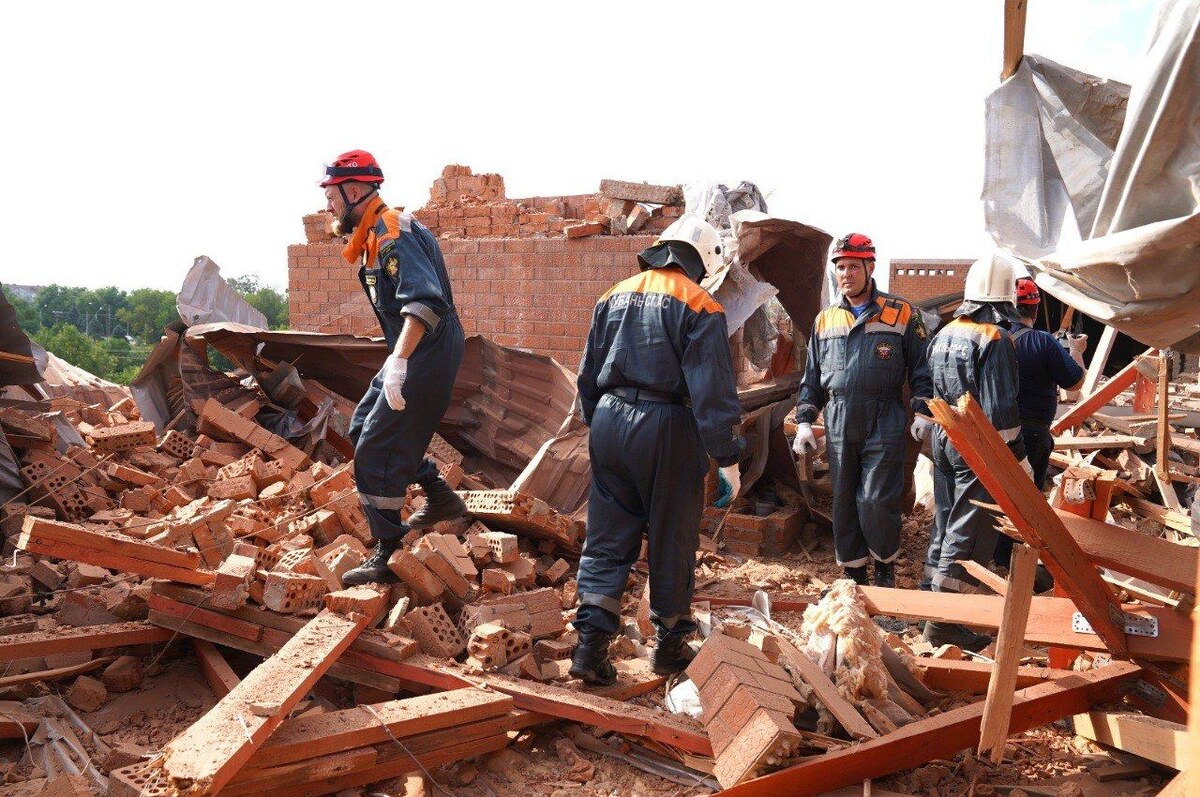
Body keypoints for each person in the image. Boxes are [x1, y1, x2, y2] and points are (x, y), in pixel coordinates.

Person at [571, 213, 743, 686]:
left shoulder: (613, 293)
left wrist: (603, 426)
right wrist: (727, 457)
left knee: (606, 539)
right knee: (672, 536)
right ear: (703, 261)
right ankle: (669, 649)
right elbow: (711, 391)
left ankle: (590, 648)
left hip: (608, 418)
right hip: (667, 424)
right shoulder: (700, 303)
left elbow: (587, 375)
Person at [317, 150, 468, 587]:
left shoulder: (392, 234)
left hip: (426, 350)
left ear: (355, 190)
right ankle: (439, 497)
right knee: (363, 428)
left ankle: (387, 552)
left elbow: (424, 301)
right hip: (411, 352)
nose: (327, 205)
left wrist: (400, 361)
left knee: (376, 446)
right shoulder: (372, 234)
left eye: (331, 195)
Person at [793, 233, 933, 587]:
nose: (846, 274)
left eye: (854, 266)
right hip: (839, 420)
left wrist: (922, 412)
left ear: (870, 267)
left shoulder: (901, 313)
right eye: (840, 267)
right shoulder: (824, 321)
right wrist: (805, 421)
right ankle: (853, 574)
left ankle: (884, 567)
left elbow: (922, 370)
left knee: (876, 499)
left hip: (884, 418)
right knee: (843, 501)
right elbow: (812, 378)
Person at [923, 252, 1033, 651]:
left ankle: (929, 598)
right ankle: (946, 623)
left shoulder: (946, 331)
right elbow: (1001, 414)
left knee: (946, 521)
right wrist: (1019, 459)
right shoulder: (996, 338)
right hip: (976, 445)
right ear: (1006, 299)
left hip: (944, 437)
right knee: (969, 528)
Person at [992, 277, 1085, 574]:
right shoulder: (1042, 341)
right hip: (1031, 433)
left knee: (998, 494)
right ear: (1034, 309)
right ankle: (1015, 564)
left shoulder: (992, 338)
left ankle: (993, 557)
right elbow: (1075, 382)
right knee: (1028, 502)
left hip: (994, 433)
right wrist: (1076, 350)